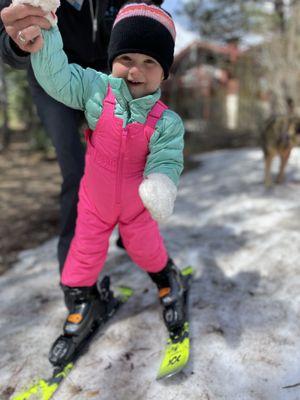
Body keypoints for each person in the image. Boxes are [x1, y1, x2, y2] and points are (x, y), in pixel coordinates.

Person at [27, 0, 186, 357]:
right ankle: (84, 300)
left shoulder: (166, 122)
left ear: (164, 73)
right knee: (82, 255)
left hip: (136, 209)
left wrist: (160, 184)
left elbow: (167, 158)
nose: (135, 71)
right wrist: (50, 34)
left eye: (149, 62)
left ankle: (166, 278)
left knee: (146, 250)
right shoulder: (94, 88)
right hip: (95, 203)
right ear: (112, 59)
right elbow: (57, 77)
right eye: (126, 58)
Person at [0, 0, 163, 280]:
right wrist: (18, 41)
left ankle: (133, 230)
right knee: (76, 173)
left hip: (102, 77)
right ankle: (75, 280)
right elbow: (7, 41)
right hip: (51, 78)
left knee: (135, 158)